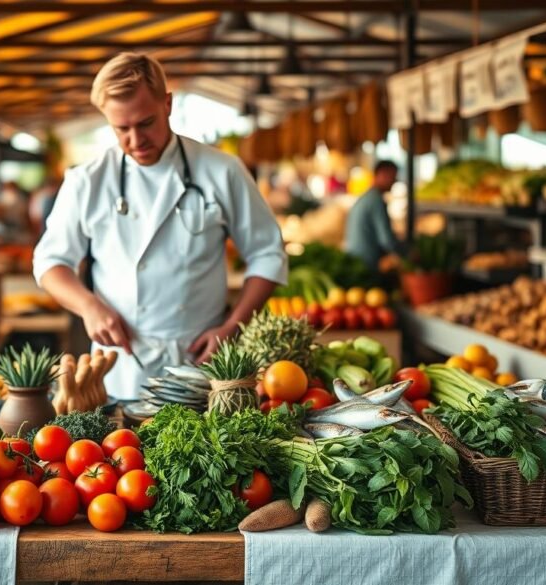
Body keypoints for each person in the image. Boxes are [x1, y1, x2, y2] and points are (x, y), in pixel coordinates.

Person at [33, 53, 287, 400]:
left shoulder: (221, 170)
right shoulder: (87, 181)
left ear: (167, 104)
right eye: (121, 129)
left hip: (203, 360)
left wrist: (232, 326)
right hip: (118, 366)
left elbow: (267, 254)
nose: (136, 140)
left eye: (146, 122)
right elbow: (50, 262)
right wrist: (88, 306)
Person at [344, 160, 404, 273]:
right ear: (381, 174)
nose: (394, 181)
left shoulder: (367, 197)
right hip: (367, 265)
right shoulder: (376, 201)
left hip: (356, 261)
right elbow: (387, 241)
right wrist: (406, 253)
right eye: (393, 176)